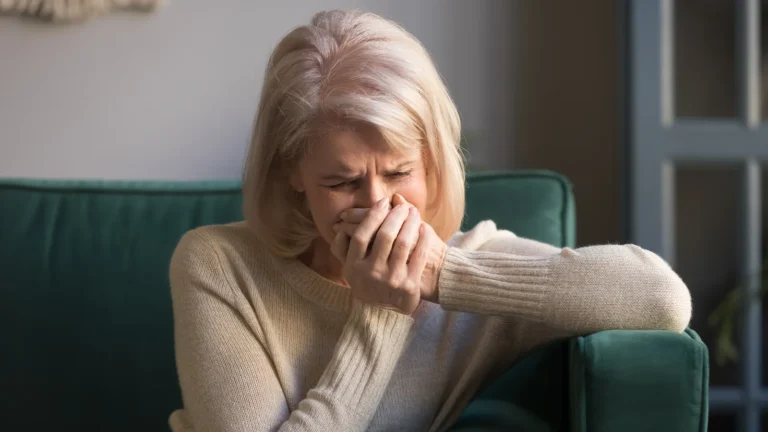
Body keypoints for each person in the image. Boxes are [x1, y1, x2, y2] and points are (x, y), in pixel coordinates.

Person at [168, 9, 692, 432]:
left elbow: (662, 298)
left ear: (433, 161)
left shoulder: (472, 270)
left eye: (400, 172)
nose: (379, 206)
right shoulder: (219, 265)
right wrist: (381, 314)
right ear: (292, 174)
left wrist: (439, 275)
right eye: (342, 182)